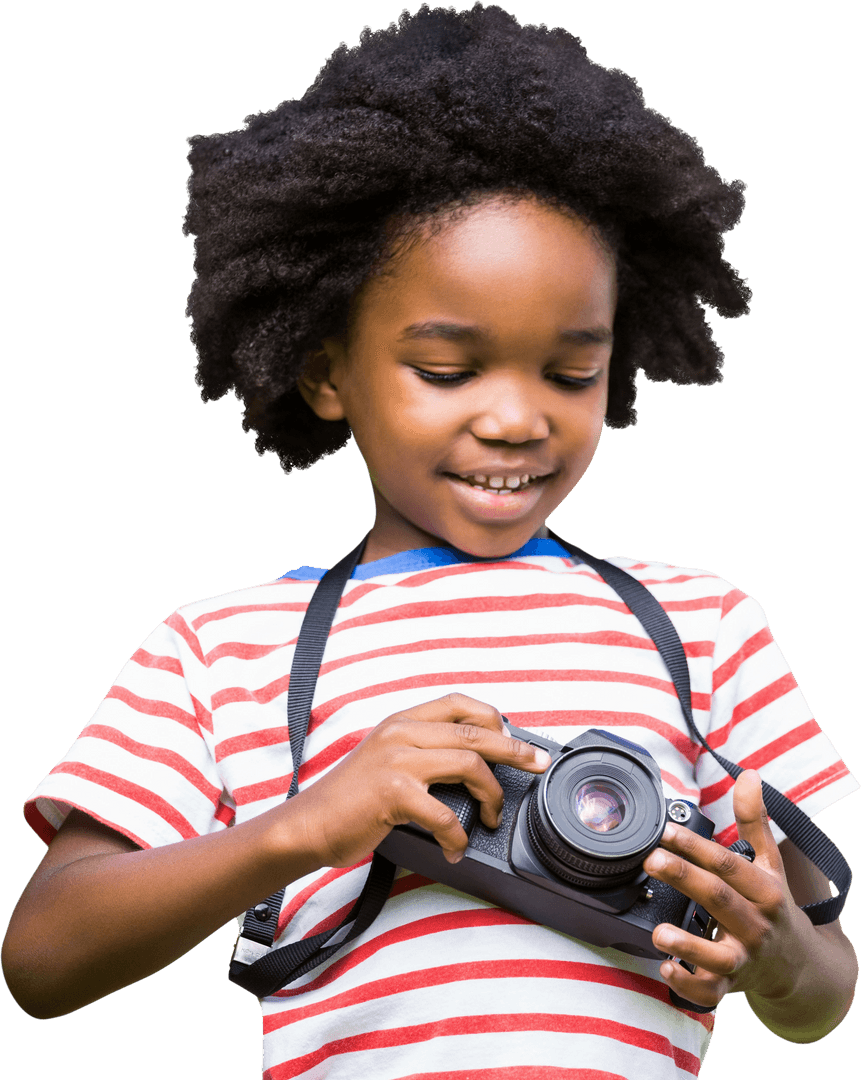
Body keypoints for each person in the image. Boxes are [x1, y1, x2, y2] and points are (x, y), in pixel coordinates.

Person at [2, 4, 857, 1077]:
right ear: (325, 373)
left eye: (571, 370)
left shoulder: (705, 623)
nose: (517, 418)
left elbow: (823, 995)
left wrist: (772, 951)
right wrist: (308, 829)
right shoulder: (220, 648)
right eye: (449, 371)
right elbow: (40, 958)